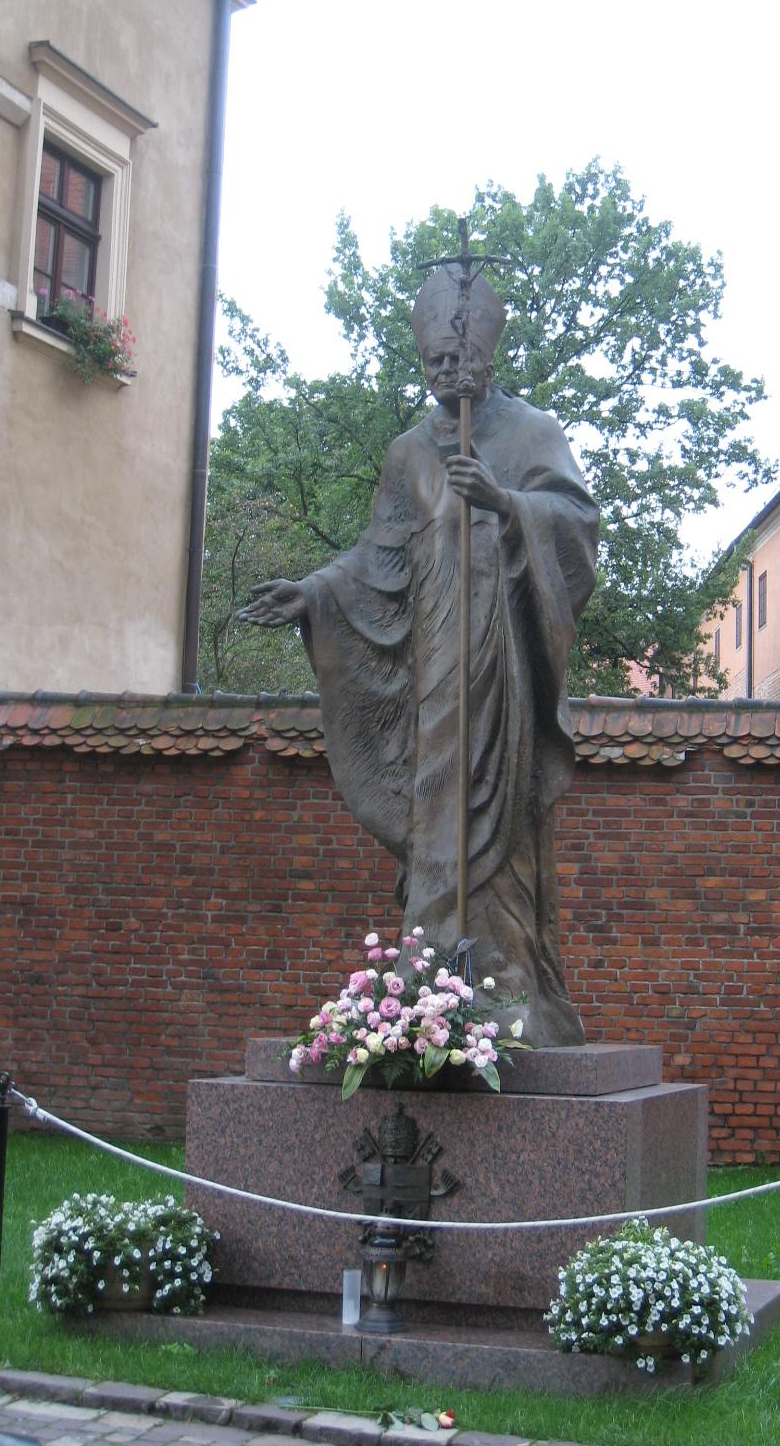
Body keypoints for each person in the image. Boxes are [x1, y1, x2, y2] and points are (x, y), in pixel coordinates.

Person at [239, 266, 598, 1045]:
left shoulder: (531, 433)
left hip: (502, 663)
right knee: (436, 802)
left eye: (458, 358)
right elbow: (380, 557)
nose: (446, 371)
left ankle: (509, 991)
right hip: (433, 658)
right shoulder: (408, 453)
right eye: (434, 361)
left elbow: (576, 526)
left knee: (502, 817)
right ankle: (432, 987)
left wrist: (506, 503)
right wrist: (314, 594)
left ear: (485, 355)